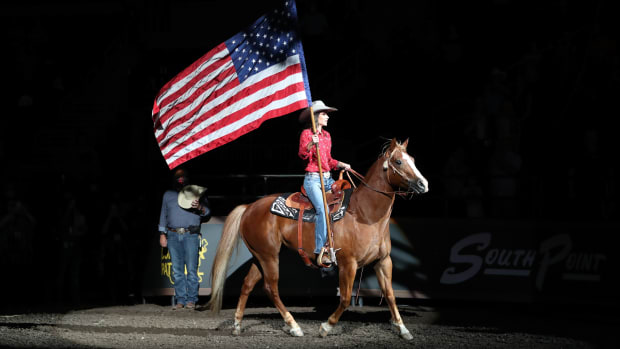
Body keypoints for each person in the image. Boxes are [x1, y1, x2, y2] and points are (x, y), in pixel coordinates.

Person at [298, 100, 350, 266]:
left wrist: (341, 164)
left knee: (347, 200)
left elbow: (328, 160)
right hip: (313, 179)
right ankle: (321, 249)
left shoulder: (327, 136)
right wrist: (311, 143)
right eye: (324, 113)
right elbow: (302, 154)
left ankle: (342, 240)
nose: (327, 117)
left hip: (327, 178)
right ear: (315, 116)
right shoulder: (306, 133)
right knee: (323, 210)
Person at [158, 168, 210, 310]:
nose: (181, 179)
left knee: (192, 270)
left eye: (183, 177)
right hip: (173, 235)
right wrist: (162, 233)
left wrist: (200, 207)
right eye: (178, 177)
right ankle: (180, 300)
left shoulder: (196, 193)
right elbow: (163, 214)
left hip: (191, 235)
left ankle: (191, 300)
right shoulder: (168, 195)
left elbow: (208, 212)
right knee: (177, 270)